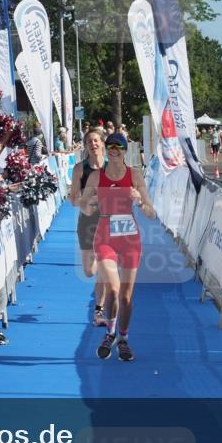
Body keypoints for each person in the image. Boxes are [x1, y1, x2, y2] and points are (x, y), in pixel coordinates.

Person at [80, 132, 156, 363]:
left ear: (125, 150)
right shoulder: (95, 176)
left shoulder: (134, 174)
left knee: (126, 297)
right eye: (110, 146)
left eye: (119, 147)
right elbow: (84, 206)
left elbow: (151, 213)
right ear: (106, 148)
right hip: (104, 238)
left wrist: (139, 200)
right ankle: (109, 334)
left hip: (130, 240)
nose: (114, 150)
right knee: (112, 289)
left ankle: (122, 338)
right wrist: (89, 205)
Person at [69, 128, 108, 326]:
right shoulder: (79, 169)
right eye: (89, 141)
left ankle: (99, 312)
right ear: (85, 146)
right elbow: (72, 199)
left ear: (102, 143)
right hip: (87, 222)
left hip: (109, 223)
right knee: (89, 272)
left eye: (96, 141)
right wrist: (87, 202)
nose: (93, 144)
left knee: (104, 267)